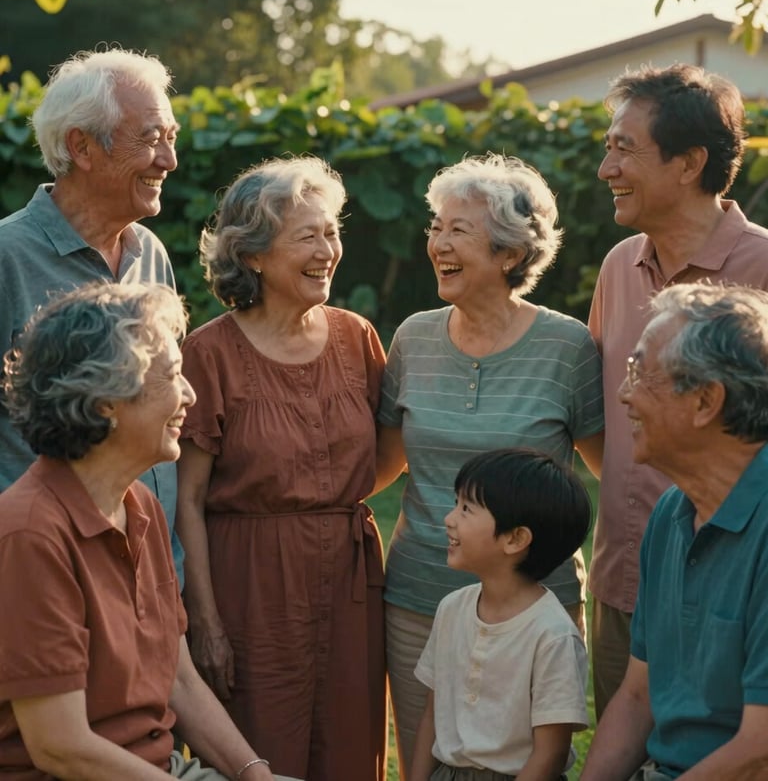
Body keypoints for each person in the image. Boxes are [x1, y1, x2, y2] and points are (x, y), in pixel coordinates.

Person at [375, 152, 604, 777]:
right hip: (421, 596)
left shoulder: (568, 346)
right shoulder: (413, 338)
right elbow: (380, 468)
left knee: (528, 761)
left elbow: (609, 472)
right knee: (428, 754)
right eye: (436, 228)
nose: (438, 244)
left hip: (533, 606)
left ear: (509, 253)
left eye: (458, 231)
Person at [0, 281, 283, 781]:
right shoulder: (30, 534)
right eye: (174, 375)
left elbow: (180, 679)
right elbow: (60, 748)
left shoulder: (141, 506)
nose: (190, 394)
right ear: (107, 401)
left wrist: (253, 773)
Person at [176, 155, 388, 781]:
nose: (328, 249)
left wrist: (322, 502)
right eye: (308, 236)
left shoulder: (357, 338)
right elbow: (186, 500)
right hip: (251, 587)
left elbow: (386, 455)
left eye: (332, 232)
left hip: (350, 579)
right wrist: (207, 623)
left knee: (351, 748)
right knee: (261, 750)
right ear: (255, 255)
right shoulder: (207, 355)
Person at [587, 62, 768, 718]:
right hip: (620, 582)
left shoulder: (764, 270)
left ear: (689, 163)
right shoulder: (617, 268)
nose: (606, 169)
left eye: (623, 148)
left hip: (737, 597)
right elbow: (611, 416)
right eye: (608, 148)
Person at [0, 46, 186, 584]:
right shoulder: (7, 259)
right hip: (44, 578)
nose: (169, 161)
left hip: (152, 574)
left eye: (171, 138)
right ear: (81, 146)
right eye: (151, 139)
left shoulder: (150, 253)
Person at [581, 282, 768, 780]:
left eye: (640, 372)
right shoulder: (670, 514)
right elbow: (638, 695)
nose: (623, 394)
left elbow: (759, 751)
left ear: (706, 401)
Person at [411, 448, 591, 781]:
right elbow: (430, 718)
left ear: (515, 538)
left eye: (466, 508)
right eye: (456, 503)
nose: (450, 518)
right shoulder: (452, 609)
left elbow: (549, 754)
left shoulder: (552, 635)